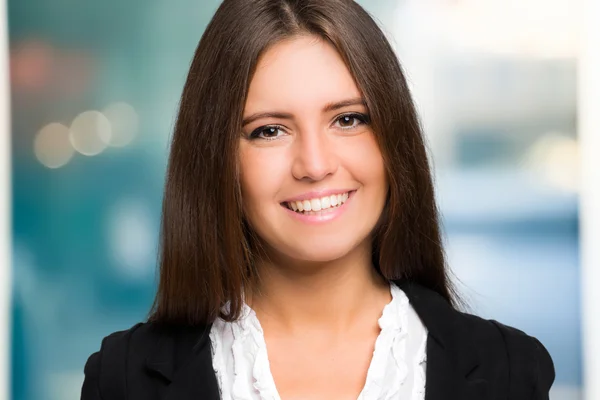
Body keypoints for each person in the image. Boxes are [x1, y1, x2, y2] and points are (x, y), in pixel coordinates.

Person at [81, 0, 555, 399]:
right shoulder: (122, 379)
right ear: (216, 159)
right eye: (269, 130)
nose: (314, 164)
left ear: (394, 139)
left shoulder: (512, 372)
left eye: (348, 120)